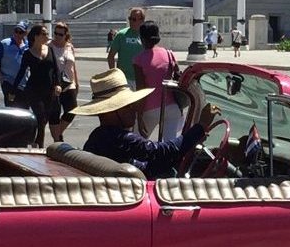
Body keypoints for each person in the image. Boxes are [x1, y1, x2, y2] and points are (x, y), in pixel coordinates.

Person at [74, 68, 221, 180]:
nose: (134, 109)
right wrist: (200, 126)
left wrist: (191, 139)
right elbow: (160, 152)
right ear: (111, 112)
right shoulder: (118, 138)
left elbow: (153, 159)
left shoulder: (99, 136)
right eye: (128, 106)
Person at [11, 24, 62, 146]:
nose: (47, 36)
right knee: (40, 117)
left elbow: (56, 70)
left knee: (43, 120)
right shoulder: (28, 53)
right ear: (36, 36)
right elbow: (21, 72)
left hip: (49, 91)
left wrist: (58, 84)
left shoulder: (49, 50)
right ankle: (40, 146)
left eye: (47, 34)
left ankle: (35, 142)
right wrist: (13, 90)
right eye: (44, 34)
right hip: (34, 91)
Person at [132, 21, 184, 139]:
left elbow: (141, 89)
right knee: (170, 145)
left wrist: (139, 116)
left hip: (150, 108)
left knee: (136, 142)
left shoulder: (139, 60)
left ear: (142, 38)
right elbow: (179, 77)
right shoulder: (169, 54)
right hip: (171, 107)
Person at [50, 22, 79, 142]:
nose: (57, 36)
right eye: (55, 33)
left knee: (72, 110)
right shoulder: (49, 46)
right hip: (55, 84)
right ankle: (57, 139)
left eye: (60, 34)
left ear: (66, 35)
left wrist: (76, 83)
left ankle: (58, 134)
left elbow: (73, 66)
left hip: (69, 84)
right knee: (54, 113)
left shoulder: (69, 47)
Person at [0, 21, 29, 103]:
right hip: (9, 82)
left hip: (24, 83)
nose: (17, 34)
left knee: (24, 107)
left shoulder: (28, 45)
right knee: (12, 106)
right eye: (16, 31)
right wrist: (1, 77)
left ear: (25, 33)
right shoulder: (4, 44)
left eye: (21, 32)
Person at [107, 7, 146, 88]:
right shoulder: (121, 35)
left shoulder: (146, 36)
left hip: (141, 79)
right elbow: (111, 56)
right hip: (124, 79)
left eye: (134, 19)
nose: (131, 21)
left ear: (142, 20)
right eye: (130, 18)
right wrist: (113, 74)